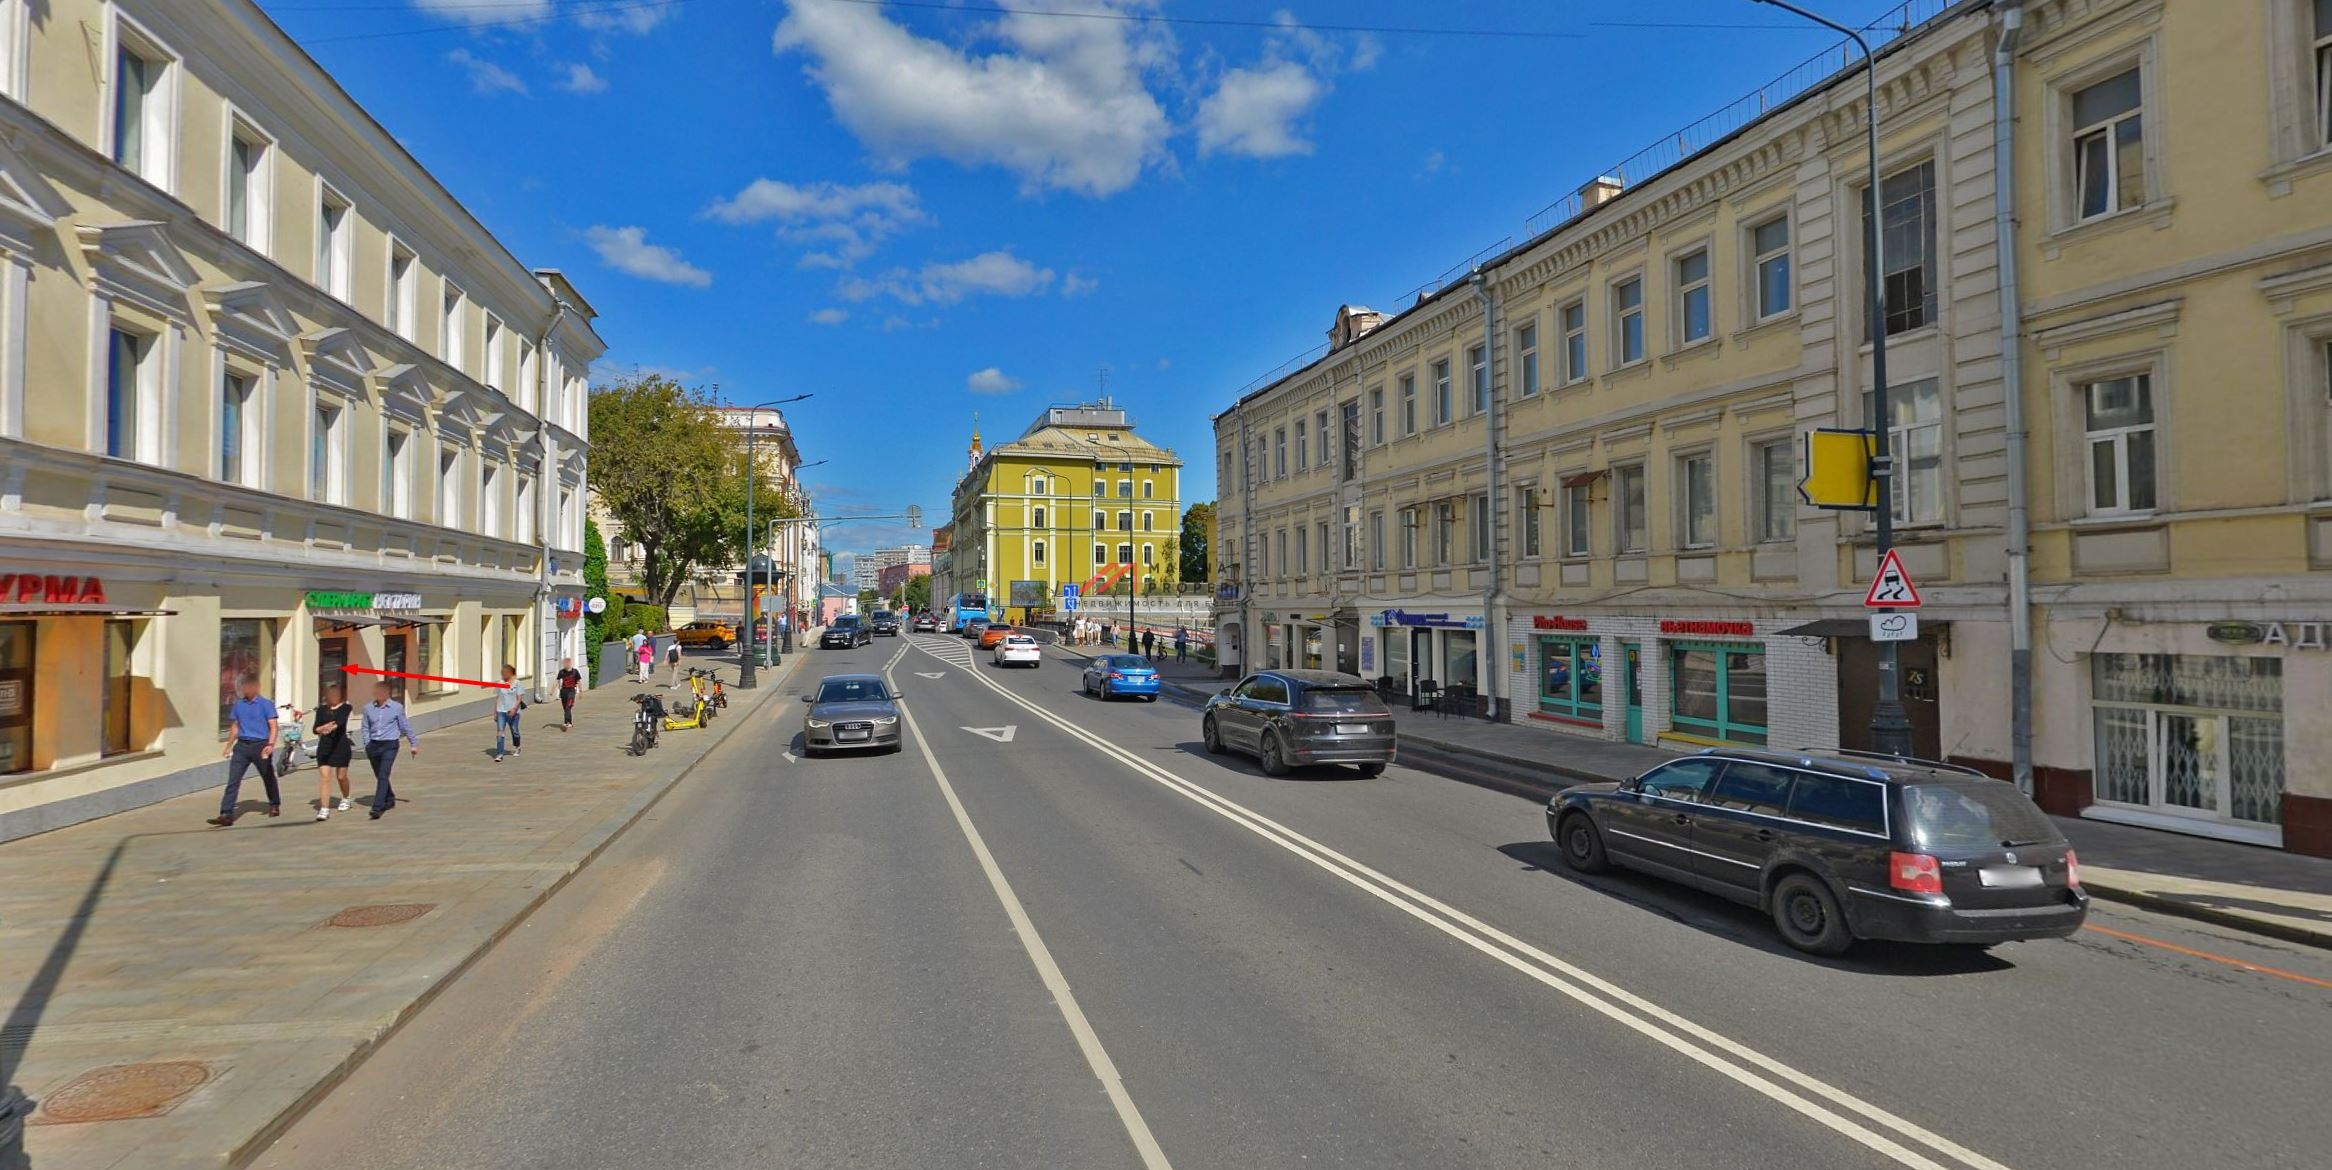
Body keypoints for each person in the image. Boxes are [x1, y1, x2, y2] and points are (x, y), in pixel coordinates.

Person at [210, 672, 281, 826]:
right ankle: (226, 814)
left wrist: (270, 745)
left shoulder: (266, 704)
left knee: (267, 775)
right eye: (243, 686)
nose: (245, 689)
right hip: (242, 746)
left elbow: (273, 726)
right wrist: (228, 746)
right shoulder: (238, 705)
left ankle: (274, 803)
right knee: (233, 780)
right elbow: (235, 726)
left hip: (260, 745)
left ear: (256, 687)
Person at [359, 681, 419, 818]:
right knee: (379, 775)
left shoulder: (397, 708)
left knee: (383, 775)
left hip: (390, 745)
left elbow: (405, 726)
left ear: (388, 692)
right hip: (373, 745)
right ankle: (390, 798)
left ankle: (377, 807)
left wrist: (413, 743)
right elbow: (365, 727)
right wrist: (367, 743)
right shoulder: (368, 708)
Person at [310, 683, 355, 820]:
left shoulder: (346, 707)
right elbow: (315, 728)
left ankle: (346, 797)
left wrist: (330, 727)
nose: (333, 697)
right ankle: (324, 809)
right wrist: (323, 727)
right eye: (330, 694)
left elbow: (340, 722)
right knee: (324, 778)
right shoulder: (321, 710)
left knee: (341, 777)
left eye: (335, 694)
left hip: (341, 746)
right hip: (325, 747)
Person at [493, 665, 525, 762]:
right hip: (501, 711)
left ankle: (517, 746)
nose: (503, 675)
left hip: (513, 712)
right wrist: (495, 712)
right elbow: (497, 698)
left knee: (514, 730)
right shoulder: (500, 683)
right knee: (500, 732)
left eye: (505, 673)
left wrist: (514, 709)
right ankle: (499, 754)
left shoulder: (517, 683)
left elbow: (519, 698)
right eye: (502, 673)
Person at [557, 657, 583, 731]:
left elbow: (578, 681)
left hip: (571, 691)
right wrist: (557, 690)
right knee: (565, 708)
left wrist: (581, 691)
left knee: (568, 706)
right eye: (565, 663)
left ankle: (568, 723)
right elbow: (558, 681)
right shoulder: (561, 672)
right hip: (564, 691)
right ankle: (568, 722)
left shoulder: (575, 672)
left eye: (567, 663)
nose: (566, 664)